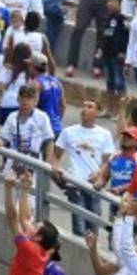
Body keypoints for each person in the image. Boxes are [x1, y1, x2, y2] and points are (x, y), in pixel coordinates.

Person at [50, 99, 114, 236]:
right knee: (79, 225)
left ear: (97, 112)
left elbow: (108, 162)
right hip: (75, 183)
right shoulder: (68, 132)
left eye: (90, 106)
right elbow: (55, 156)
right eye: (83, 106)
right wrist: (58, 175)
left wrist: (99, 174)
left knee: (93, 224)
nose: (85, 109)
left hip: (93, 186)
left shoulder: (105, 134)